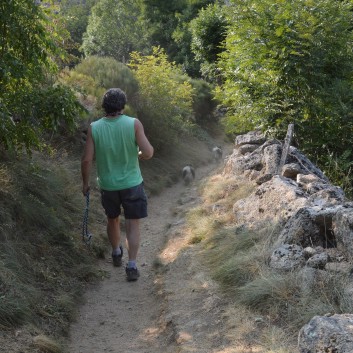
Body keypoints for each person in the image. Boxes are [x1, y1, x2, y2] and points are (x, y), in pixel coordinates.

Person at [81, 88, 154, 281]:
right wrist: (139, 155)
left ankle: (115, 252)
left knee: (112, 219)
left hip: (108, 185)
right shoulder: (133, 124)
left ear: (104, 106)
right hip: (132, 184)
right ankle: (131, 265)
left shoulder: (94, 127)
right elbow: (148, 152)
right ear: (123, 105)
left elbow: (87, 160)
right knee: (132, 223)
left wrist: (85, 184)